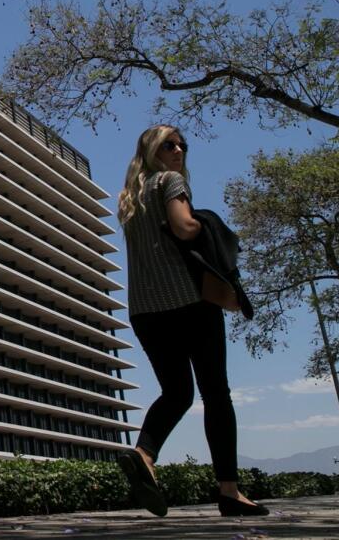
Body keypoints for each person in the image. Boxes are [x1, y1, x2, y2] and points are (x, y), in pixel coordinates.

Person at [115, 125, 269, 517]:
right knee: (216, 393)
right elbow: (184, 227)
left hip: (146, 312)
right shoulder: (169, 181)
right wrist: (207, 224)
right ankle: (229, 492)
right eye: (170, 144)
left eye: (183, 144)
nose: (179, 149)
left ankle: (144, 455)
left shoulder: (129, 199)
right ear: (152, 150)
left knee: (177, 392)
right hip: (189, 303)